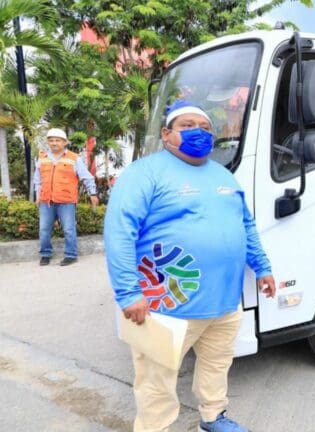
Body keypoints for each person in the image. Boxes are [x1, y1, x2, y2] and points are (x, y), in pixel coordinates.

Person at [104, 101, 276, 432]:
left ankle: (213, 417)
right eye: (187, 126)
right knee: (156, 379)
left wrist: (263, 267)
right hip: (167, 304)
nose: (199, 131)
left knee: (217, 364)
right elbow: (119, 232)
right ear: (166, 134)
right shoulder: (144, 173)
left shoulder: (223, 175)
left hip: (224, 301)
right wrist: (128, 293)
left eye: (205, 127)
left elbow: (245, 225)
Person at [34, 128, 99, 266]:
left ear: (65, 142)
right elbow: (38, 180)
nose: (54, 143)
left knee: (68, 229)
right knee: (44, 229)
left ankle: (71, 255)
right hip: (46, 201)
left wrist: (92, 193)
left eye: (57, 140)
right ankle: (45, 254)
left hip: (66, 201)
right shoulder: (42, 158)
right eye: (51, 140)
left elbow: (87, 177)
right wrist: (38, 195)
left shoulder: (74, 158)